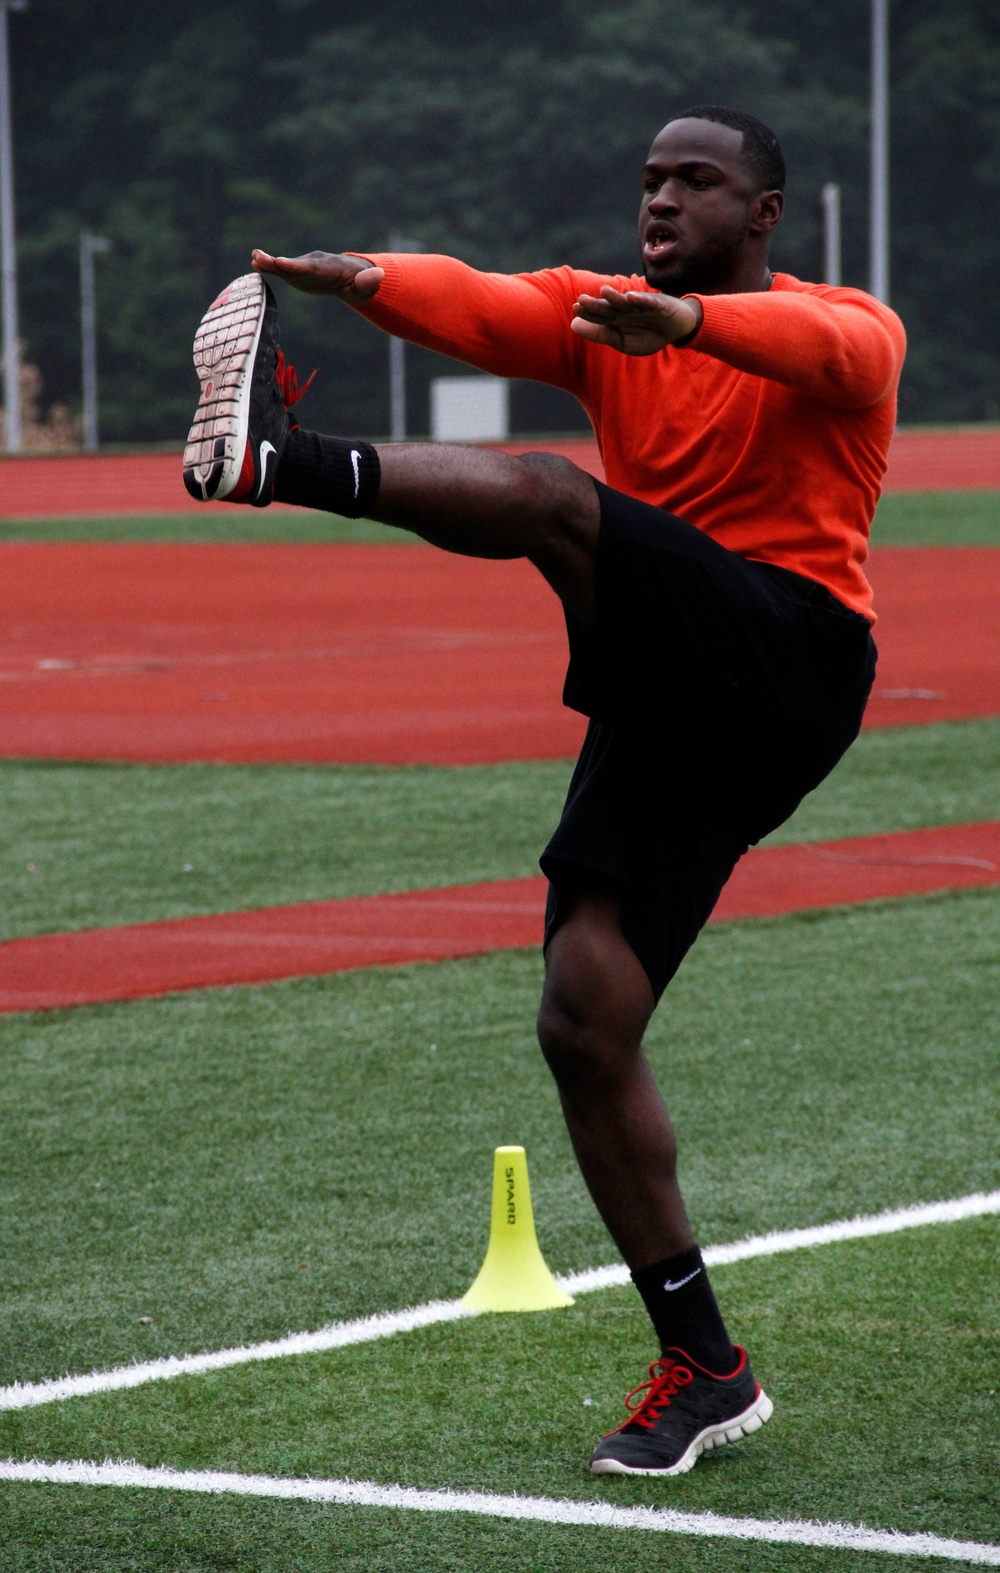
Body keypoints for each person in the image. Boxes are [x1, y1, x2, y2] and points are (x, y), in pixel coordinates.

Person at [183, 105, 905, 1477]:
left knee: (552, 499)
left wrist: (684, 330)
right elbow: (490, 303)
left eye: (696, 181)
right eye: (647, 179)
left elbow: (846, 351)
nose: (660, 200)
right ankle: (706, 1364)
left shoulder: (829, 322)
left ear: (763, 214)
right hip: (667, 681)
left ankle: (276, 462)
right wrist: (366, 279)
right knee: (585, 1011)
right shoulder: (606, 313)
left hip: (790, 654)